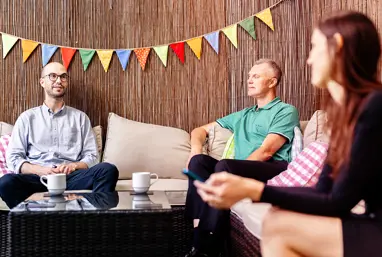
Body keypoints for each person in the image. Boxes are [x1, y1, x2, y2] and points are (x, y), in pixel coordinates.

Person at [195, 11, 382, 257]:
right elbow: (324, 191)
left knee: (279, 226)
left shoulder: (375, 108)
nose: (309, 60)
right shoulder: (345, 116)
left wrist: (255, 190)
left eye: (314, 47)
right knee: (278, 217)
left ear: (337, 46)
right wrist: (254, 191)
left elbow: (338, 201)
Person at [185, 59, 300, 256]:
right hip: (237, 168)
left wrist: (231, 171)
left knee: (225, 167)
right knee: (199, 162)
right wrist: (196, 149)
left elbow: (267, 151)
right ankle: (199, 233)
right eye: (249, 76)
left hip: (272, 167)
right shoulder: (243, 115)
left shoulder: (285, 110)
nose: (249, 80)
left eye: (256, 76)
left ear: (272, 82)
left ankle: (206, 248)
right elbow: (199, 130)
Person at [0, 62, 119, 209]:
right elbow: (13, 158)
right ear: (42, 82)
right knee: (6, 182)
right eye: (53, 76)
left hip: (71, 178)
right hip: (38, 178)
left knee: (107, 170)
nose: (58, 81)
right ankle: (29, 222)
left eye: (63, 77)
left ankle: (91, 222)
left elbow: (92, 156)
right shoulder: (27, 118)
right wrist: (40, 170)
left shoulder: (80, 118)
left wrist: (74, 166)